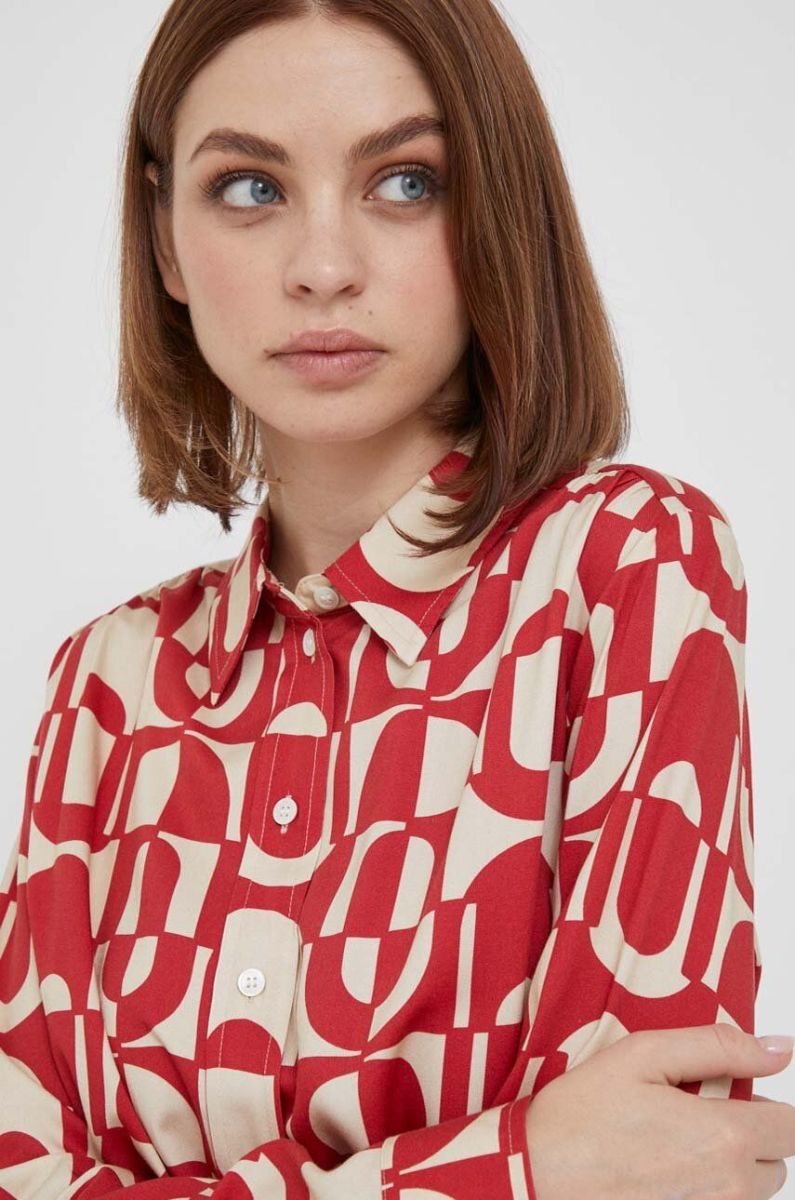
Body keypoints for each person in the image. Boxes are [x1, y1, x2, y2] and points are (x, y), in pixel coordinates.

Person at [1, 1, 792, 1198]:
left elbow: (649, 1170)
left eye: (407, 182)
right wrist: (520, 1164)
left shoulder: (626, 566)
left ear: (496, 211)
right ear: (164, 242)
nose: (325, 267)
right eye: (251, 189)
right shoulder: (106, 683)